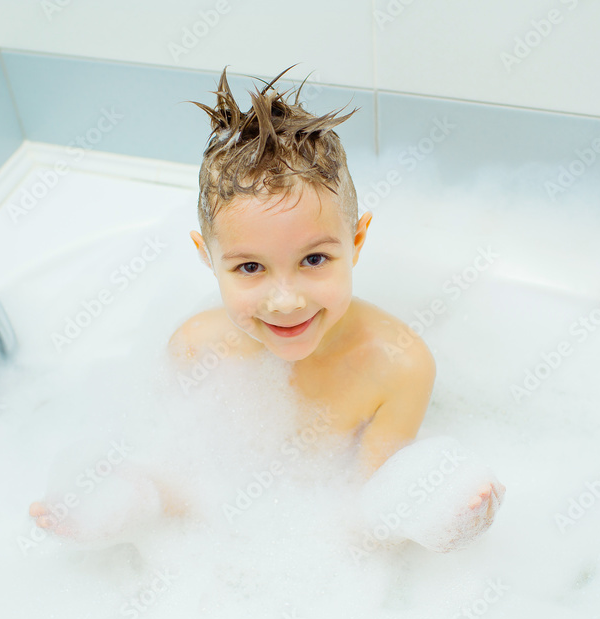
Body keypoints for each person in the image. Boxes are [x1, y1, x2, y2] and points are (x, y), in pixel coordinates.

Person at [30, 67, 504, 552]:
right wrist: (129, 500)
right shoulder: (196, 347)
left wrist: (435, 513)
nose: (285, 300)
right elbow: (190, 476)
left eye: (314, 259)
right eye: (250, 267)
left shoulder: (398, 365)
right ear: (206, 257)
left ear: (356, 241)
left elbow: (365, 517)